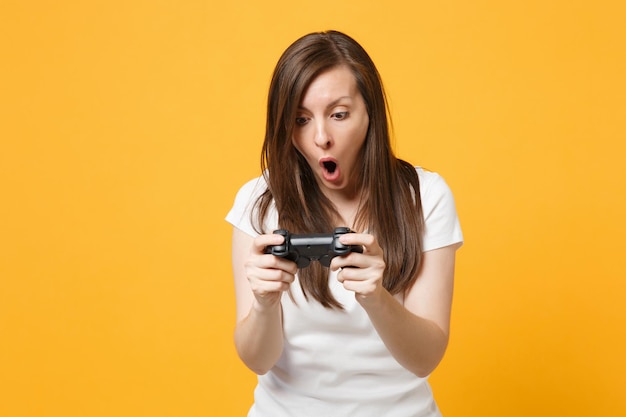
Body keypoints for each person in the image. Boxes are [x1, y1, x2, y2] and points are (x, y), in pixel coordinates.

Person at [226, 30, 463, 417]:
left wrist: (377, 299)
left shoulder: (426, 196)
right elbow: (257, 360)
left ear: (370, 113)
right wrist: (265, 304)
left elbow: (425, 359)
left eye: (339, 115)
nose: (321, 138)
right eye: (301, 119)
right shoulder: (258, 201)